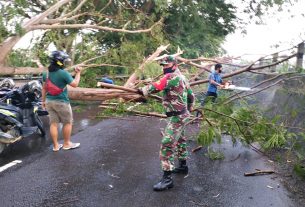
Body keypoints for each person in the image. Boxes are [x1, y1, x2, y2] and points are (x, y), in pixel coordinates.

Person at [138, 55, 195, 191]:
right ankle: (182, 166)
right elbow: (191, 95)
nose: (164, 68)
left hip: (177, 117)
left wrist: (142, 91)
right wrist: (190, 108)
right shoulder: (183, 78)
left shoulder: (171, 77)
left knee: (167, 144)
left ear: (174, 65)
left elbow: (156, 86)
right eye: (163, 65)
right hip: (183, 115)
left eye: (167, 65)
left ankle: (167, 179)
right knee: (180, 140)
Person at [42, 51, 81, 152]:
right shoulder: (63, 73)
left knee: (53, 124)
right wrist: (78, 73)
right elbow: (75, 84)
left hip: (49, 102)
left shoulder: (45, 73)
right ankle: (67, 144)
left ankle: (55, 146)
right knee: (67, 122)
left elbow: (44, 89)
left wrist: (43, 101)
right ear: (60, 62)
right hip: (61, 102)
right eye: (64, 61)